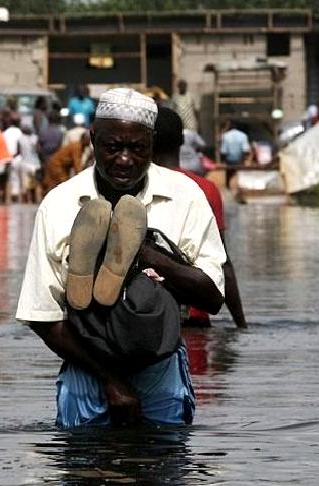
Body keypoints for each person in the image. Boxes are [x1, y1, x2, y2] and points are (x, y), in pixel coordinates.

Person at [16, 87, 226, 428]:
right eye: (113, 147)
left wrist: (148, 256)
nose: (124, 159)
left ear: (153, 144)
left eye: (137, 148)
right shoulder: (60, 203)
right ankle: (100, 267)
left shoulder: (186, 196)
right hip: (88, 363)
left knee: (150, 465)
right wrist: (111, 380)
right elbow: (42, 316)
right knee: (105, 466)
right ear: (93, 138)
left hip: (158, 359)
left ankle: (134, 254)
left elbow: (213, 298)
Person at [153, 106, 248, 328]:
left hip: (146, 317)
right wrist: (241, 324)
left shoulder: (135, 187)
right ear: (181, 142)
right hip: (195, 319)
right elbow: (223, 262)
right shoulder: (206, 189)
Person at [219, 120, 250, 191]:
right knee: (240, 173)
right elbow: (245, 149)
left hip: (230, 159)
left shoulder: (226, 136)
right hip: (240, 159)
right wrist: (244, 159)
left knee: (229, 172)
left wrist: (223, 160)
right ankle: (240, 187)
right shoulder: (243, 135)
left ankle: (228, 186)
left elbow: (223, 151)